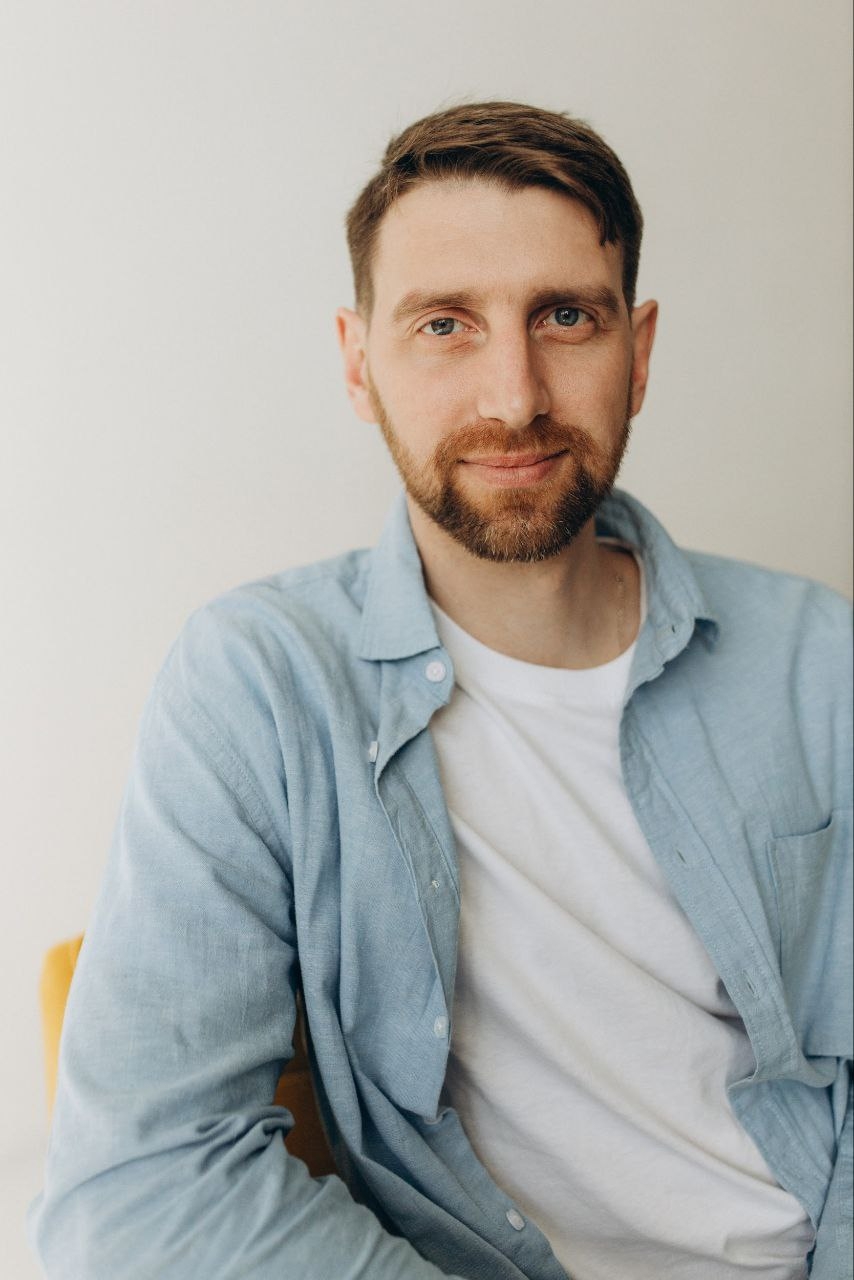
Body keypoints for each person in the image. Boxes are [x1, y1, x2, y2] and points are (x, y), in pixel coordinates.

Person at [30, 101, 851, 1280]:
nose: (513, 396)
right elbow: (140, 1190)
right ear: (358, 362)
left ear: (638, 352)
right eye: (444, 324)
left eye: (564, 316)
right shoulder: (258, 686)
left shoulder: (818, 658)